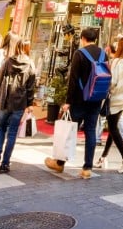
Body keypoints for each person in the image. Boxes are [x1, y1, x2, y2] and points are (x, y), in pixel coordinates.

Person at [44, 27, 107, 179]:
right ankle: (87, 168)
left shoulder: (79, 54)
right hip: (96, 99)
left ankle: (59, 163)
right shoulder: (104, 54)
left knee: (70, 131)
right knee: (90, 132)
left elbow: (73, 80)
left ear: (83, 38)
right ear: (96, 39)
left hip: (79, 100)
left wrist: (68, 102)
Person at [0, 35, 36, 174]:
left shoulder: (8, 61)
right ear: (28, 48)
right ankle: (5, 163)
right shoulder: (30, 64)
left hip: (4, 100)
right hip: (19, 102)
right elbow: (31, 86)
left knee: (0, 128)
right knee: (12, 133)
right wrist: (30, 103)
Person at [95, 37, 123, 172]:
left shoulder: (118, 62)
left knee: (112, 128)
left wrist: (107, 90)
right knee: (113, 128)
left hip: (115, 99)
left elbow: (114, 82)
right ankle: (103, 157)